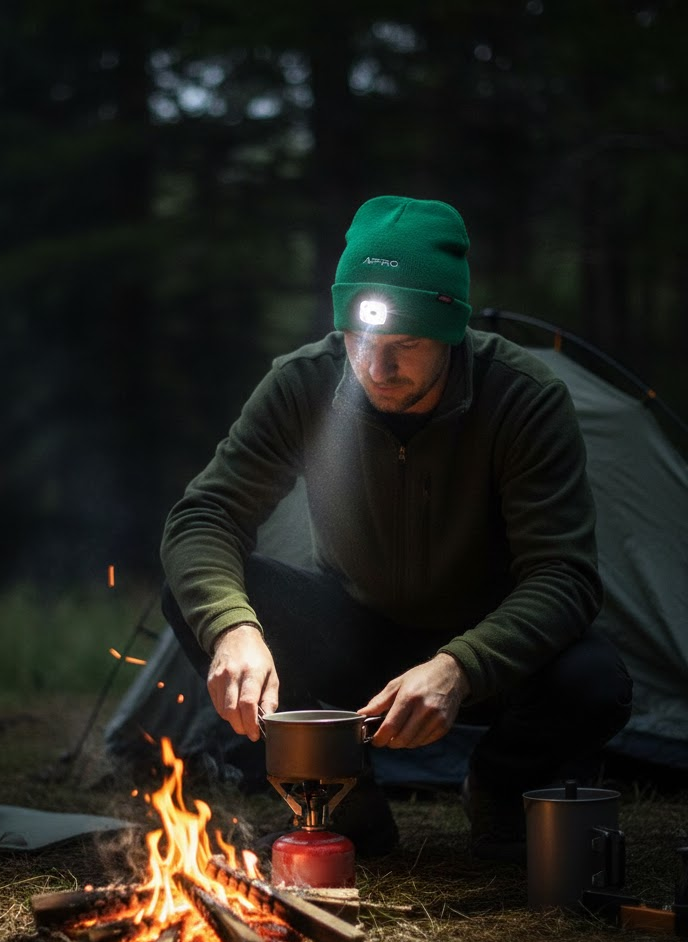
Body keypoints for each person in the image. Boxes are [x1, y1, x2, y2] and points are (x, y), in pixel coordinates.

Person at [159, 194, 633, 863]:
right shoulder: (304, 383)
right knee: (196, 595)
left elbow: (564, 576)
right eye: (360, 340)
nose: (376, 368)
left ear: (451, 333)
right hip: (358, 627)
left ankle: (499, 789)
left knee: (594, 679)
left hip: (486, 646)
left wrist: (460, 666)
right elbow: (205, 516)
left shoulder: (521, 398)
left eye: (405, 346)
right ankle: (341, 803)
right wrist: (235, 629)